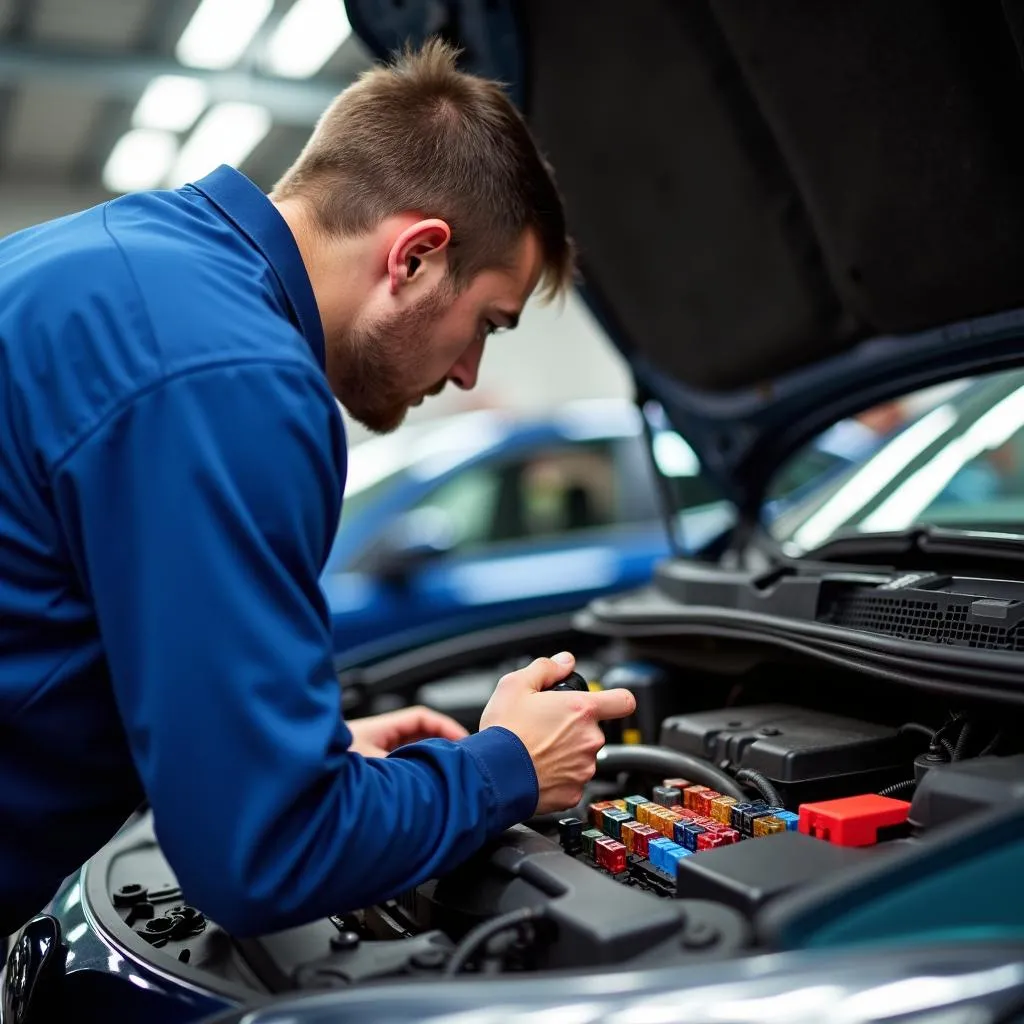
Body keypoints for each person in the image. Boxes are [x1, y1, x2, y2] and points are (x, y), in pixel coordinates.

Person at [0, 40, 636, 937]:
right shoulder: (236, 379)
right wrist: (505, 769)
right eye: (486, 324)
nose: (467, 373)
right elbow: (265, 855)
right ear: (414, 256)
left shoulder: (120, 261)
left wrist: (312, 758)